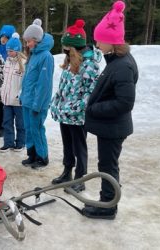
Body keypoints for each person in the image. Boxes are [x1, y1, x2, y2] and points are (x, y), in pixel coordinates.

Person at [82, 1, 138, 219]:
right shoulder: (115, 60)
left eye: (99, 39)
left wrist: (95, 108)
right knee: (107, 164)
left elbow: (125, 102)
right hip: (110, 126)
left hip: (113, 127)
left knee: (108, 166)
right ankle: (107, 200)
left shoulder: (122, 66)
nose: (96, 43)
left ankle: (108, 207)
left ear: (111, 41)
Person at [50, 19, 101, 192]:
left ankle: (81, 177)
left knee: (79, 146)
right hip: (65, 113)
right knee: (67, 145)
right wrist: (57, 102)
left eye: (65, 46)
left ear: (72, 47)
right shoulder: (70, 62)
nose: (63, 48)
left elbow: (92, 93)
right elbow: (64, 87)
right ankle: (67, 172)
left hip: (78, 115)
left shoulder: (89, 66)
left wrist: (76, 106)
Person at [20, 19, 54, 169]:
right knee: (28, 128)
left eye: (29, 41)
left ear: (36, 40)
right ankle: (32, 154)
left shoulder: (46, 56)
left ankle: (42, 156)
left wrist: (38, 104)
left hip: (37, 103)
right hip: (27, 100)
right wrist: (22, 96)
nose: (27, 45)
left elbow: (44, 84)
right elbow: (27, 79)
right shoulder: (33, 55)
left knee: (37, 129)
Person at [0, 32, 26, 152]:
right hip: (6, 99)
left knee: (20, 123)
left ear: (17, 50)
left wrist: (21, 95)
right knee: (7, 122)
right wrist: (2, 91)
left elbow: (25, 83)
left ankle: (20, 142)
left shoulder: (24, 63)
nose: (8, 53)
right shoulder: (7, 62)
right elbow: (5, 80)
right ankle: (8, 142)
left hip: (18, 100)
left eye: (11, 51)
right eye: (7, 50)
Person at [0, 25, 16, 137]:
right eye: (2, 37)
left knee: (7, 106)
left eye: (6, 37)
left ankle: (6, 127)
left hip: (9, 82)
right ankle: (0, 125)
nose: (3, 39)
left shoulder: (13, 51)